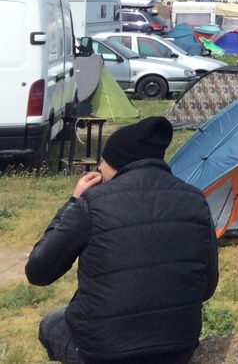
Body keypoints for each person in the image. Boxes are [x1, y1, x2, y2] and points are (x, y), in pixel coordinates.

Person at [26, 117, 218, 364]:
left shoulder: (93, 203)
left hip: (105, 353)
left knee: (51, 324)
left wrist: (74, 202)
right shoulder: (196, 199)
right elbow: (207, 287)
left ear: (116, 162)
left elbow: (38, 271)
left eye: (103, 161)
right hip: (178, 348)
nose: (99, 167)